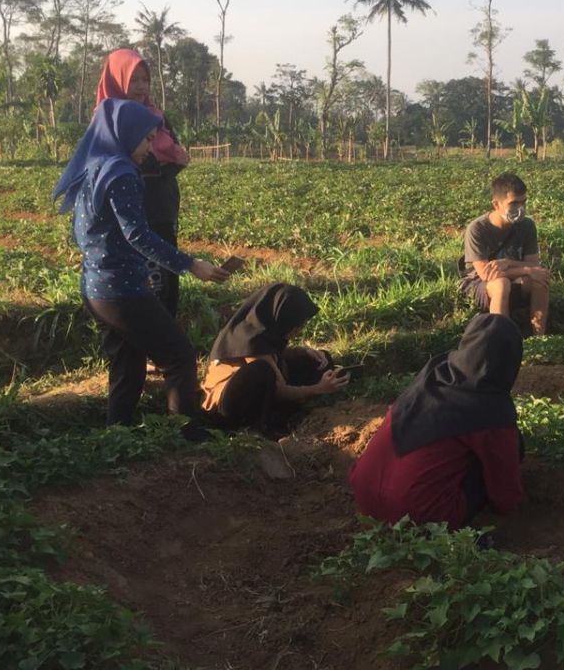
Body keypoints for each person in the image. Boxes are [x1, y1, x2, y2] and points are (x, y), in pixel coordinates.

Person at [52, 98, 229, 426]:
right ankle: (185, 435)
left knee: (127, 368)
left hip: (95, 288)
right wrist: (191, 264)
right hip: (122, 291)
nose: (151, 148)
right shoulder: (121, 173)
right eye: (148, 139)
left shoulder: (95, 167)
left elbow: (86, 233)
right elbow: (138, 235)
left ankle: (118, 437)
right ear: (127, 133)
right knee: (179, 357)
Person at [348, 314, 524, 530]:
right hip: (415, 515)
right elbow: (506, 495)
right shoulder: (491, 407)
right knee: (512, 449)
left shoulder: (432, 375)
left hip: (363, 493)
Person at [95, 48, 190, 318]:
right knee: (139, 285)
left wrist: (174, 164)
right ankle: (157, 347)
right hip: (130, 216)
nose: (140, 86)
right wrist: (165, 164)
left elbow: (172, 157)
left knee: (165, 284)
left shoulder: (157, 116)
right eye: (133, 79)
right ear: (118, 78)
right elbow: (124, 168)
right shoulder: (108, 121)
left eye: (144, 80)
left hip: (161, 207)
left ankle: (162, 348)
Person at [201, 283, 349, 435]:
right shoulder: (249, 340)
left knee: (317, 360)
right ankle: (258, 427)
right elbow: (280, 390)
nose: (298, 331)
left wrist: (304, 351)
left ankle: (286, 412)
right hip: (226, 409)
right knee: (261, 371)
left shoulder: (263, 330)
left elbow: (273, 353)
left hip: (263, 387)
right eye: (296, 326)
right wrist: (318, 389)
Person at [459, 173, 550, 335]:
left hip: (514, 280)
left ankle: (539, 338)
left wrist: (508, 263)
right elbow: (486, 274)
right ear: (496, 204)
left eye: (524, 202)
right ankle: (502, 341)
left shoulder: (527, 225)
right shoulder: (477, 229)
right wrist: (526, 270)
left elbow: (534, 264)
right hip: (480, 286)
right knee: (501, 284)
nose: (520, 208)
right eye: (514, 203)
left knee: (539, 280)